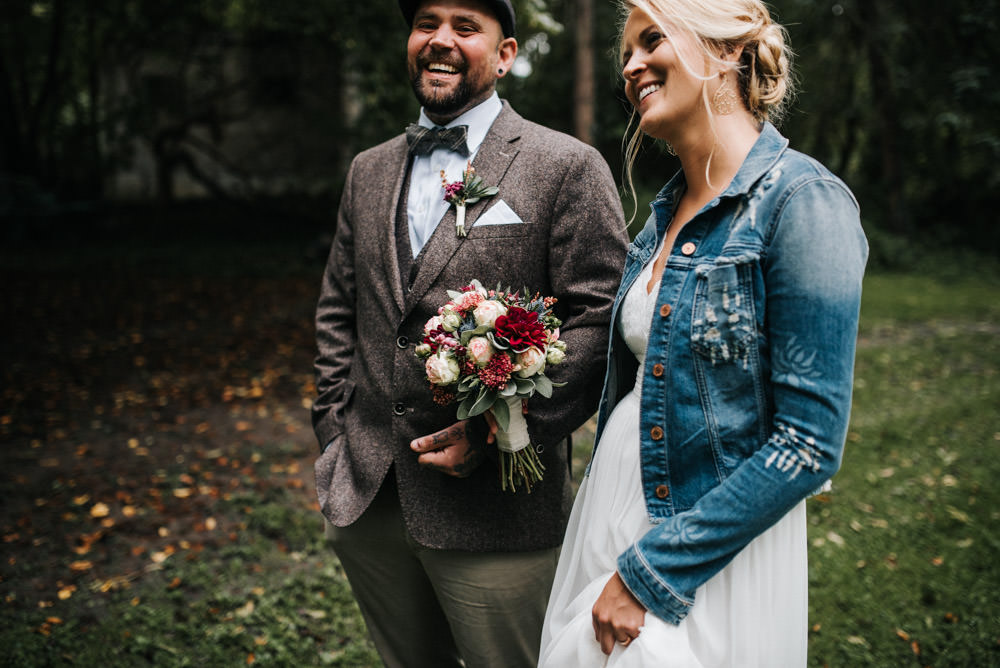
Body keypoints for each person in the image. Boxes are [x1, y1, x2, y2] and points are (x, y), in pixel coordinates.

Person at [538, 0, 868, 665]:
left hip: (702, 549)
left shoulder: (802, 201)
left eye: (651, 39)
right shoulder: (658, 221)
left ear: (724, 50)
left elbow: (808, 444)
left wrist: (650, 573)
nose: (630, 66)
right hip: (613, 505)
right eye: (624, 52)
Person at [311, 0, 628, 665]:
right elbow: (341, 306)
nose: (440, 41)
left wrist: (501, 433)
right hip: (370, 500)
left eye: (465, 27)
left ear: (506, 53)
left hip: (497, 516)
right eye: (426, 24)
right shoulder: (367, 172)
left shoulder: (566, 167)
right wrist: (335, 432)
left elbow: (599, 320)